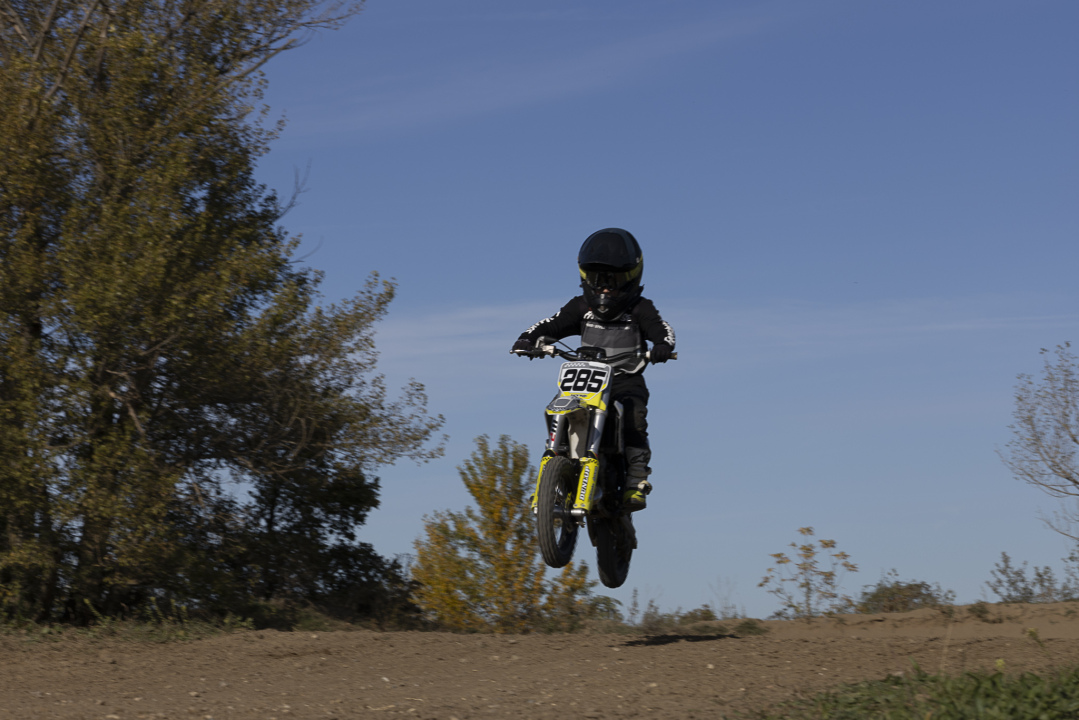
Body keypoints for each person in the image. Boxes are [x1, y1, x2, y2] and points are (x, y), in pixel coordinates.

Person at [511, 228, 675, 511]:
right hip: (584, 379)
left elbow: (662, 329)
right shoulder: (580, 307)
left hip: (625, 380)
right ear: (586, 278)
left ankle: (636, 480)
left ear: (631, 278)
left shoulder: (640, 308)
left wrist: (662, 345)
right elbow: (551, 324)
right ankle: (558, 468)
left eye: (613, 280)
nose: (605, 288)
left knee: (634, 417)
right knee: (554, 409)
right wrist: (527, 339)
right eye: (598, 280)